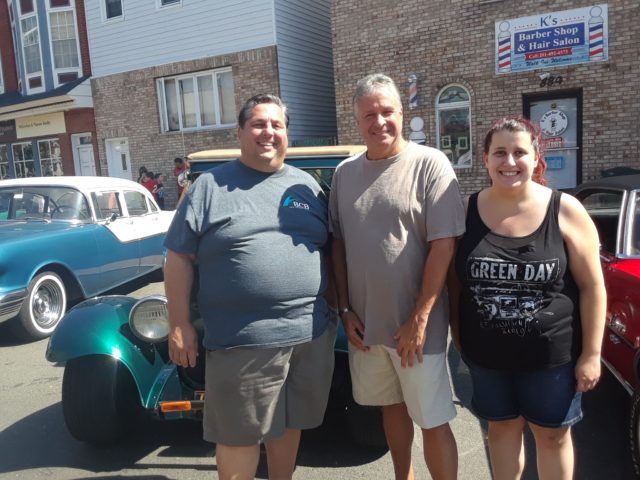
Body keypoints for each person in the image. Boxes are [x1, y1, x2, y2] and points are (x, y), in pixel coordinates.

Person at [163, 93, 336, 480]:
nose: (268, 132)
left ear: (287, 133)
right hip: (242, 340)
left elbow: (328, 251)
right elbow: (178, 257)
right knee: (238, 435)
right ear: (240, 132)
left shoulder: (306, 186)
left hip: (309, 335)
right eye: (258, 124)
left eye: (277, 125)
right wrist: (180, 323)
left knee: (289, 423)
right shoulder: (209, 187)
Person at [449, 116, 606, 480]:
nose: (510, 161)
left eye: (519, 152)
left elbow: (592, 286)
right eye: (499, 152)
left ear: (536, 158)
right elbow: (454, 282)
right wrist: (457, 333)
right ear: (485, 158)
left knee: (552, 437)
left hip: (552, 359)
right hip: (487, 357)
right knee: (501, 430)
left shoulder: (565, 209)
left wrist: (592, 354)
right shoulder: (465, 211)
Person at [330, 73, 464, 480]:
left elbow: (444, 246)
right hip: (366, 328)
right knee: (391, 408)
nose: (379, 122)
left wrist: (419, 319)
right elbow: (338, 245)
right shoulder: (344, 174)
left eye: (387, 111)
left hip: (417, 330)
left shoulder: (430, 164)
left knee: (433, 421)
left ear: (402, 113)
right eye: (369, 115)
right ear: (357, 120)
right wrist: (345, 310)